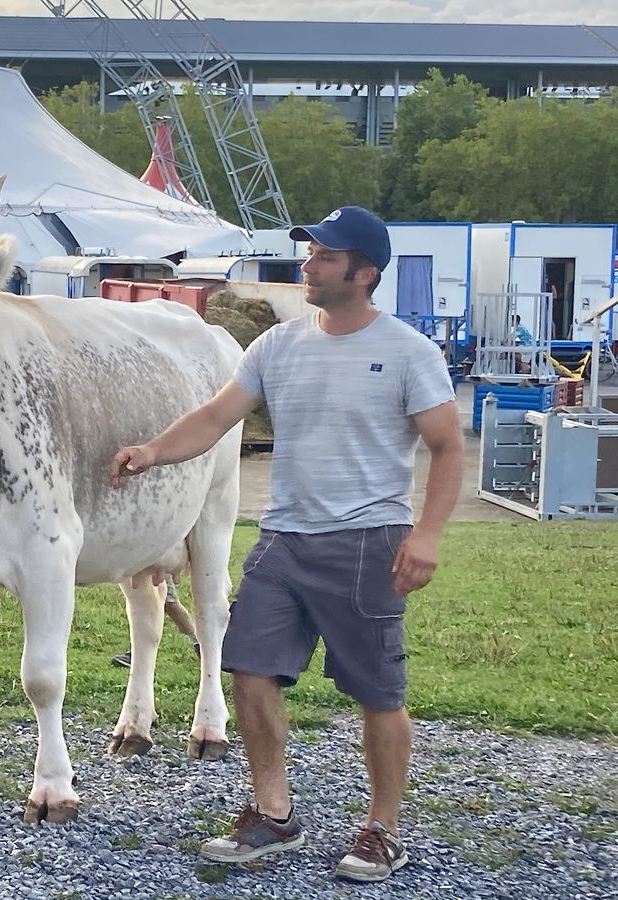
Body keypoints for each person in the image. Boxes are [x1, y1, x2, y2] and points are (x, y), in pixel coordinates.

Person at [110, 206, 464, 883]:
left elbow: (448, 449)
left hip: (368, 543)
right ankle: (273, 816)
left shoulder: (409, 352)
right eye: (309, 252)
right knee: (249, 671)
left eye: (324, 256)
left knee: (378, 693)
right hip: (284, 540)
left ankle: (383, 829)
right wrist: (152, 451)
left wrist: (427, 535)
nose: (307, 263)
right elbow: (216, 416)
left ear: (363, 273)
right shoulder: (277, 345)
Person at [110, 576, 200, 668]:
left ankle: (200, 643)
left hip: (153, 563)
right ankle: (138, 654)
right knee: (141, 601)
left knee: (169, 603)